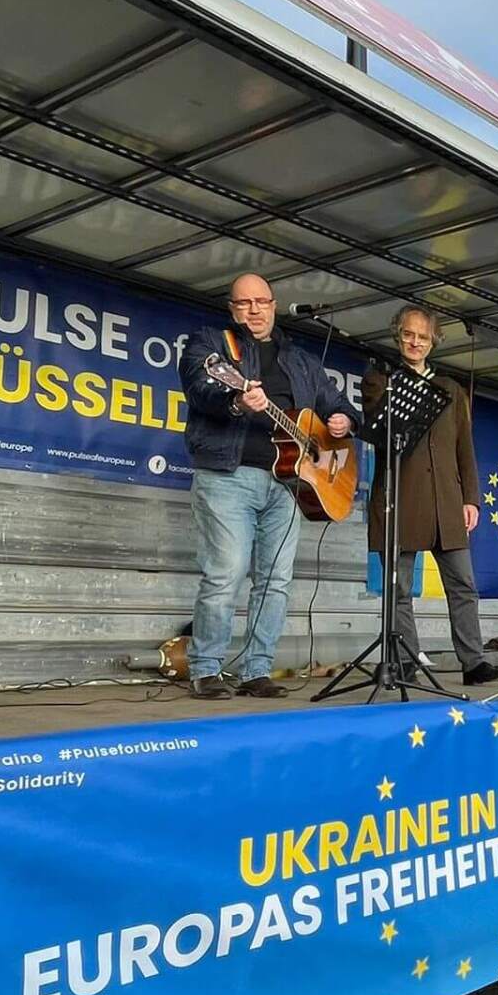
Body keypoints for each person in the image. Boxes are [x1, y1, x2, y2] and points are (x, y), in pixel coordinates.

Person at [178, 273, 357, 700]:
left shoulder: (301, 361)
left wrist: (343, 420)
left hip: (288, 484)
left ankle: (257, 671)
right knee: (226, 573)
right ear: (232, 309)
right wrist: (236, 399)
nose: (254, 310)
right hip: (228, 474)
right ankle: (206, 670)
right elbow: (199, 387)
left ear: (275, 305)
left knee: (275, 579)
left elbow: (339, 404)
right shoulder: (213, 344)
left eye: (261, 302)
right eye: (244, 303)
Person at [365, 305, 498, 688]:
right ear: (398, 337)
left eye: (422, 337)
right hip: (399, 498)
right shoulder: (381, 381)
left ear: (433, 342)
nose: (415, 342)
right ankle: (405, 661)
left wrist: (471, 499)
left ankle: (473, 663)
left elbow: (465, 448)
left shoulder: (453, 389)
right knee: (398, 590)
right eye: (408, 335)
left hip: (447, 502)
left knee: (463, 584)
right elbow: (381, 432)